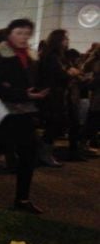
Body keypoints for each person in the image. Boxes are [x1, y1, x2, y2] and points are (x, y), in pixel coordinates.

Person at [0, 19, 49, 214]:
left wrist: (37, 91)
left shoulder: (29, 55)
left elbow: (31, 80)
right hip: (5, 113)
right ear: (10, 34)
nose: (23, 37)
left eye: (26, 33)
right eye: (19, 33)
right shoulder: (1, 54)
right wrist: (24, 94)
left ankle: (22, 198)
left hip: (25, 113)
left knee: (27, 155)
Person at [37, 30, 80, 164]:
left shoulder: (58, 57)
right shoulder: (51, 57)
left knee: (56, 125)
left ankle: (44, 152)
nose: (67, 41)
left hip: (57, 95)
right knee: (54, 125)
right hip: (52, 96)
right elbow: (57, 76)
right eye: (65, 38)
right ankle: (44, 153)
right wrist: (70, 73)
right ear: (58, 40)